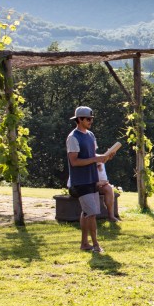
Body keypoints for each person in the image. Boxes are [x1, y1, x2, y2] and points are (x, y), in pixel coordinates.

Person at [66, 106, 112, 253]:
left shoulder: (91, 135)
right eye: (88, 119)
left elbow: (93, 155)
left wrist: (104, 157)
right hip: (81, 181)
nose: (91, 121)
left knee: (87, 212)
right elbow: (74, 161)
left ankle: (84, 244)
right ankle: (96, 245)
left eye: (91, 119)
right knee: (91, 213)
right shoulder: (73, 137)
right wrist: (95, 159)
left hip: (92, 179)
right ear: (79, 119)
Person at [96, 157, 119, 222]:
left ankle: (111, 216)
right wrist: (98, 183)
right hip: (85, 185)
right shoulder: (85, 160)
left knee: (108, 188)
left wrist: (102, 183)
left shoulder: (100, 160)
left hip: (97, 185)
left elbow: (104, 180)